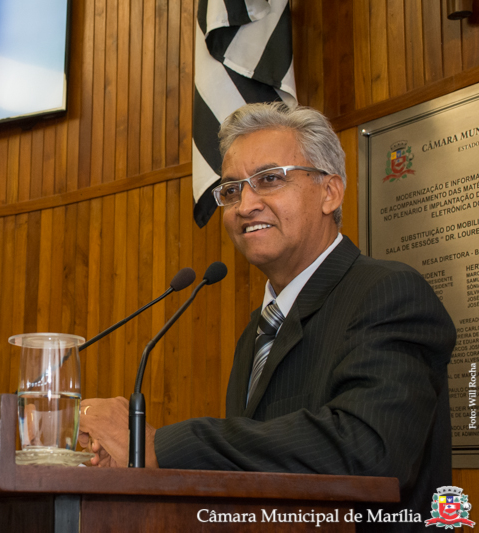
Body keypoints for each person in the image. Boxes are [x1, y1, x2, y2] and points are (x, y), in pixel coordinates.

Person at [78, 102, 455, 531]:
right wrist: (132, 461)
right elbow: (253, 470)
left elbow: (368, 449)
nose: (245, 205)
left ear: (330, 192)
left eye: (270, 179)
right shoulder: (256, 331)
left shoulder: (387, 293)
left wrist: (159, 446)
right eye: (231, 190)